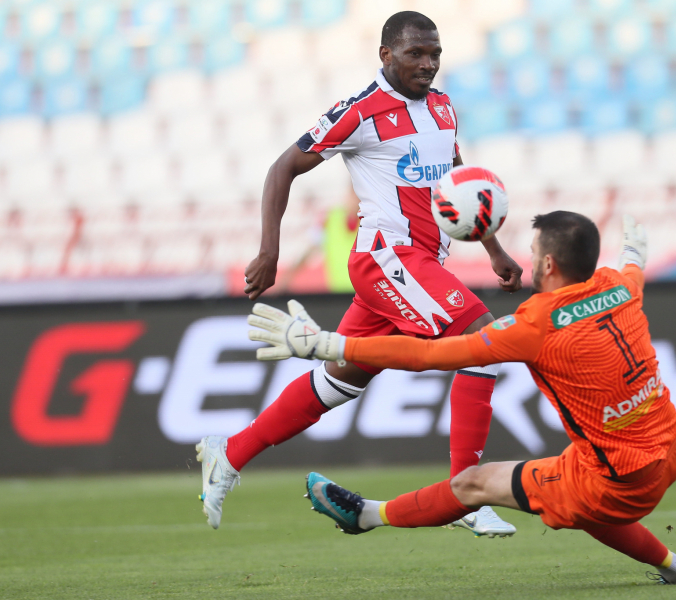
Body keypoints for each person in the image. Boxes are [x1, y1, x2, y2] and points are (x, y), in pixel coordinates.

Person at [249, 212, 676, 584]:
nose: (531, 260)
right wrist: (634, 252)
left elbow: (428, 355)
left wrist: (330, 345)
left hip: (619, 480)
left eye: (534, 252)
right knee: (573, 496)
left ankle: (366, 516)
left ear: (549, 265)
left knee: (473, 484)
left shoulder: (534, 326)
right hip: (667, 449)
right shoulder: (618, 286)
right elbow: (634, 272)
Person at [195, 11, 524, 537]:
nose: (428, 64)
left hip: (418, 264)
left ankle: (229, 453)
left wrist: (493, 248)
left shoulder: (442, 106)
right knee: (483, 343)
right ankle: (467, 492)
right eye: (416, 53)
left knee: (338, 381)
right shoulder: (360, 111)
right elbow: (283, 167)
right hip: (388, 258)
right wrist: (269, 251)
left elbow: (458, 181)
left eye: (435, 54)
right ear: (386, 54)